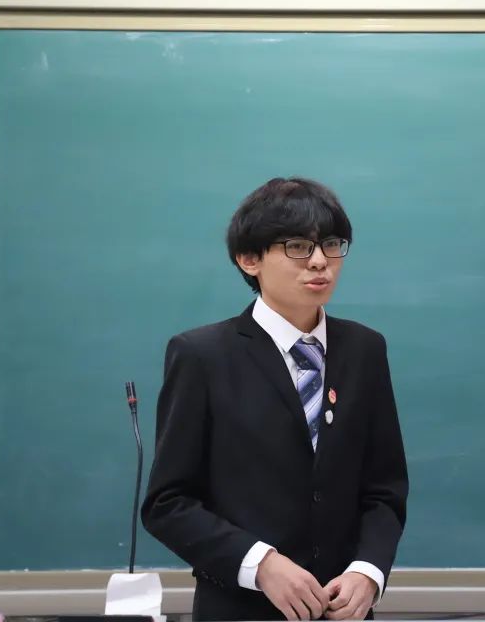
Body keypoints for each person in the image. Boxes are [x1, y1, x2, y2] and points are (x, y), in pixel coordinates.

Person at [141, 177, 408, 622]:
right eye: (298, 246)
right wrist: (260, 564)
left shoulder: (364, 350)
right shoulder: (203, 356)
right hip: (240, 609)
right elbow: (168, 504)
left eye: (331, 245)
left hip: (342, 611)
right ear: (250, 259)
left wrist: (368, 571)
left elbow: (384, 489)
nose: (320, 261)